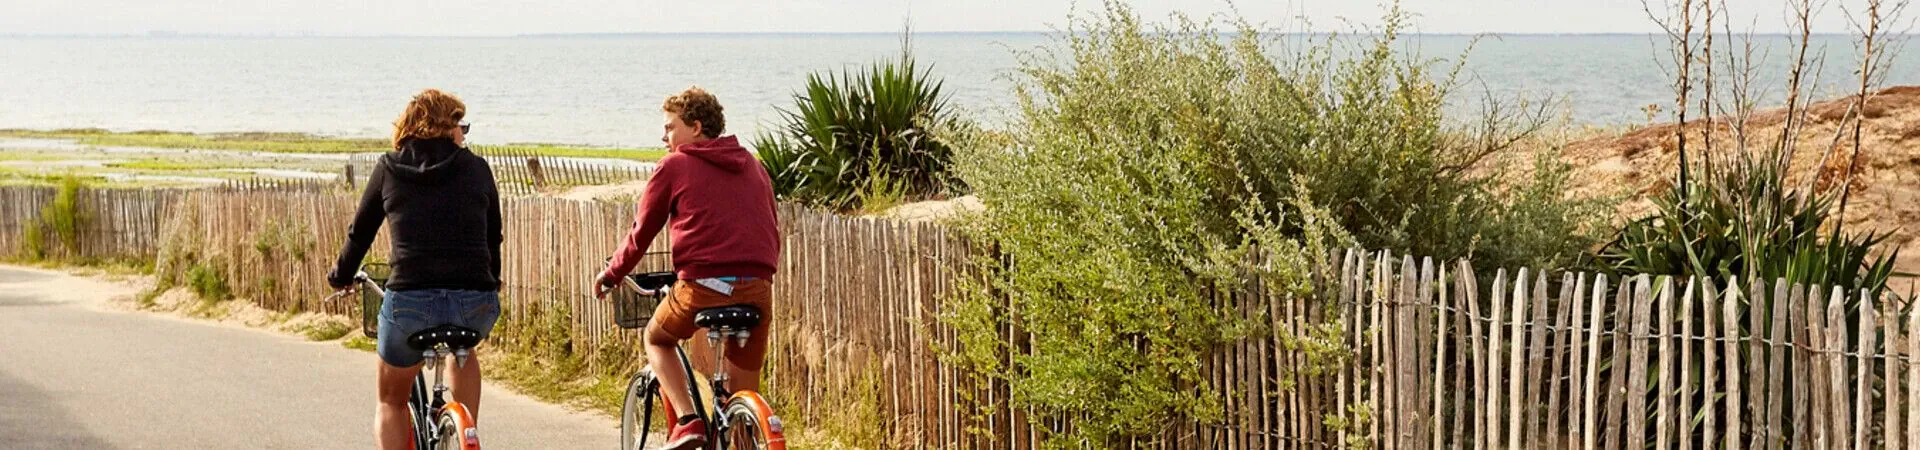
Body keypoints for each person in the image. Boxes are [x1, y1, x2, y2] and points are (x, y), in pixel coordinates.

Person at [595, 86, 779, 450]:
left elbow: (641, 232)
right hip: (758, 289)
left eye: (670, 127)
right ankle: (742, 429)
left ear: (695, 127)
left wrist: (613, 273)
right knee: (740, 406)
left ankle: (687, 421)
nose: (663, 136)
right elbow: (771, 226)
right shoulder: (753, 164)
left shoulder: (674, 166)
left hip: (702, 287)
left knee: (656, 338)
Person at [328, 89, 504, 450]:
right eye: (461, 125)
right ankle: (463, 432)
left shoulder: (389, 168)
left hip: (410, 302)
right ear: (446, 127)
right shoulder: (477, 168)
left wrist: (340, 276)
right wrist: (492, 278)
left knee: (391, 400)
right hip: (475, 303)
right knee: (463, 350)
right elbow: (493, 236)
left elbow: (360, 234)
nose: (464, 134)